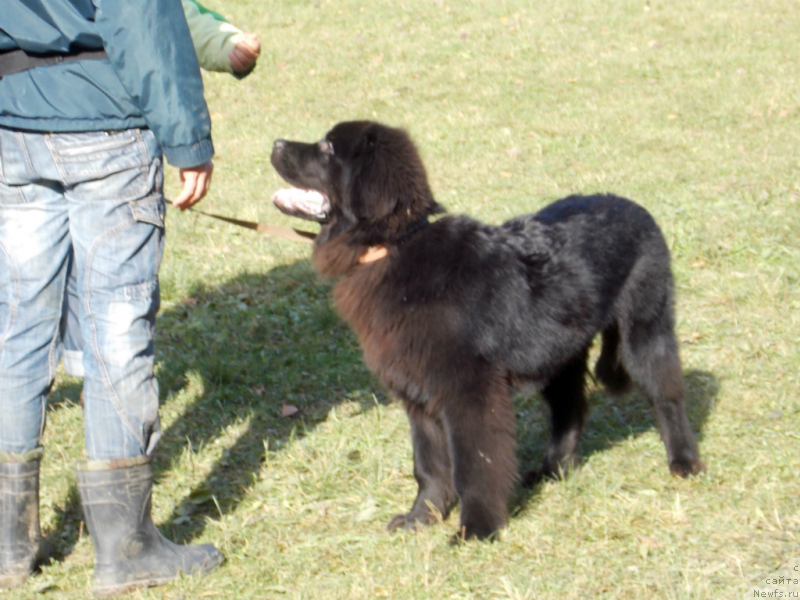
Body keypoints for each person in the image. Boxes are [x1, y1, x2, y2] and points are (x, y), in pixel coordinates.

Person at [0, 0, 221, 595]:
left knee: (16, 332)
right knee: (116, 330)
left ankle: (6, 547)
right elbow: (141, 15)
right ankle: (127, 550)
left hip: (11, 126)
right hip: (104, 125)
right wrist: (188, 138)